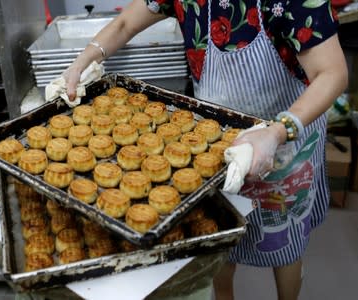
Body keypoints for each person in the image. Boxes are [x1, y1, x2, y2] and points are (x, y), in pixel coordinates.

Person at [61, 0, 348, 299]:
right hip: (216, 144)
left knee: (285, 241)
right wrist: (83, 62)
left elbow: (333, 74)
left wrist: (276, 132)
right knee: (218, 237)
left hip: (286, 138)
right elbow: (125, 23)